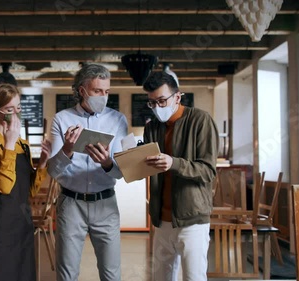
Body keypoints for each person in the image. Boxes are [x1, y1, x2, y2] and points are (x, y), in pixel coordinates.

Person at [47, 64, 128, 281]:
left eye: (107, 91)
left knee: (111, 275)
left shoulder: (118, 120)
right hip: (71, 204)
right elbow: (52, 170)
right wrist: (67, 150)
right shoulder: (61, 119)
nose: (103, 96)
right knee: (67, 274)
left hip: (106, 204)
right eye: (97, 91)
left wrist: (107, 163)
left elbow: (120, 173)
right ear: (82, 90)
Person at [0, 84, 51, 281]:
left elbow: (29, 191)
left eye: (19, 108)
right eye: (9, 110)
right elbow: (4, 187)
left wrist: (43, 163)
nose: (15, 115)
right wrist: (8, 144)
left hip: (22, 223)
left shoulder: (23, 144)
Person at [142, 71, 219, 281]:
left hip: (192, 219)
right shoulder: (152, 128)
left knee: (194, 278)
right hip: (161, 220)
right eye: (152, 103)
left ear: (177, 96)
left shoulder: (201, 121)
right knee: (161, 278)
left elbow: (208, 171)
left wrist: (173, 163)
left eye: (161, 100)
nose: (157, 107)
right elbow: (148, 169)